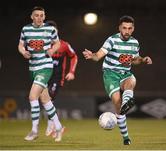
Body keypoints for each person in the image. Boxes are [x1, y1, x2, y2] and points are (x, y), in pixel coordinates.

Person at [83, 15, 152, 145]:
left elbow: (135, 59)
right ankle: (126, 136)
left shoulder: (134, 42)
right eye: (124, 28)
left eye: (129, 28)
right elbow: (98, 56)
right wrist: (91, 55)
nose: (127, 31)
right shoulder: (111, 40)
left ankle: (127, 104)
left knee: (131, 82)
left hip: (126, 73)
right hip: (110, 74)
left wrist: (143, 59)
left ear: (133, 29)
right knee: (117, 102)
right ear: (119, 28)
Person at [18, 6, 65, 142]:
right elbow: (20, 45)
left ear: (44, 17)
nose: (39, 17)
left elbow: (57, 43)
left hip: (45, 67)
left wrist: (51, 50)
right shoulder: (25, 29)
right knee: (45, 100)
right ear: (32, 17)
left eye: (42, 15)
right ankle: (58, 127)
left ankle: (34, 130)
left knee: (33, 96)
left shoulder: (50, 29)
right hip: (33, 68)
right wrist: (23, 52)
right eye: (36, 15)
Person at [44, 20, 78, 136]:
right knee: (44, 99)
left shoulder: (64, 45)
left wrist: (72, 71)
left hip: (57, 78)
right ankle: (57, 126)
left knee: (49, 98)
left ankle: (51, 126)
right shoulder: (42, 45)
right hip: (44, 76)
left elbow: (74, 57)